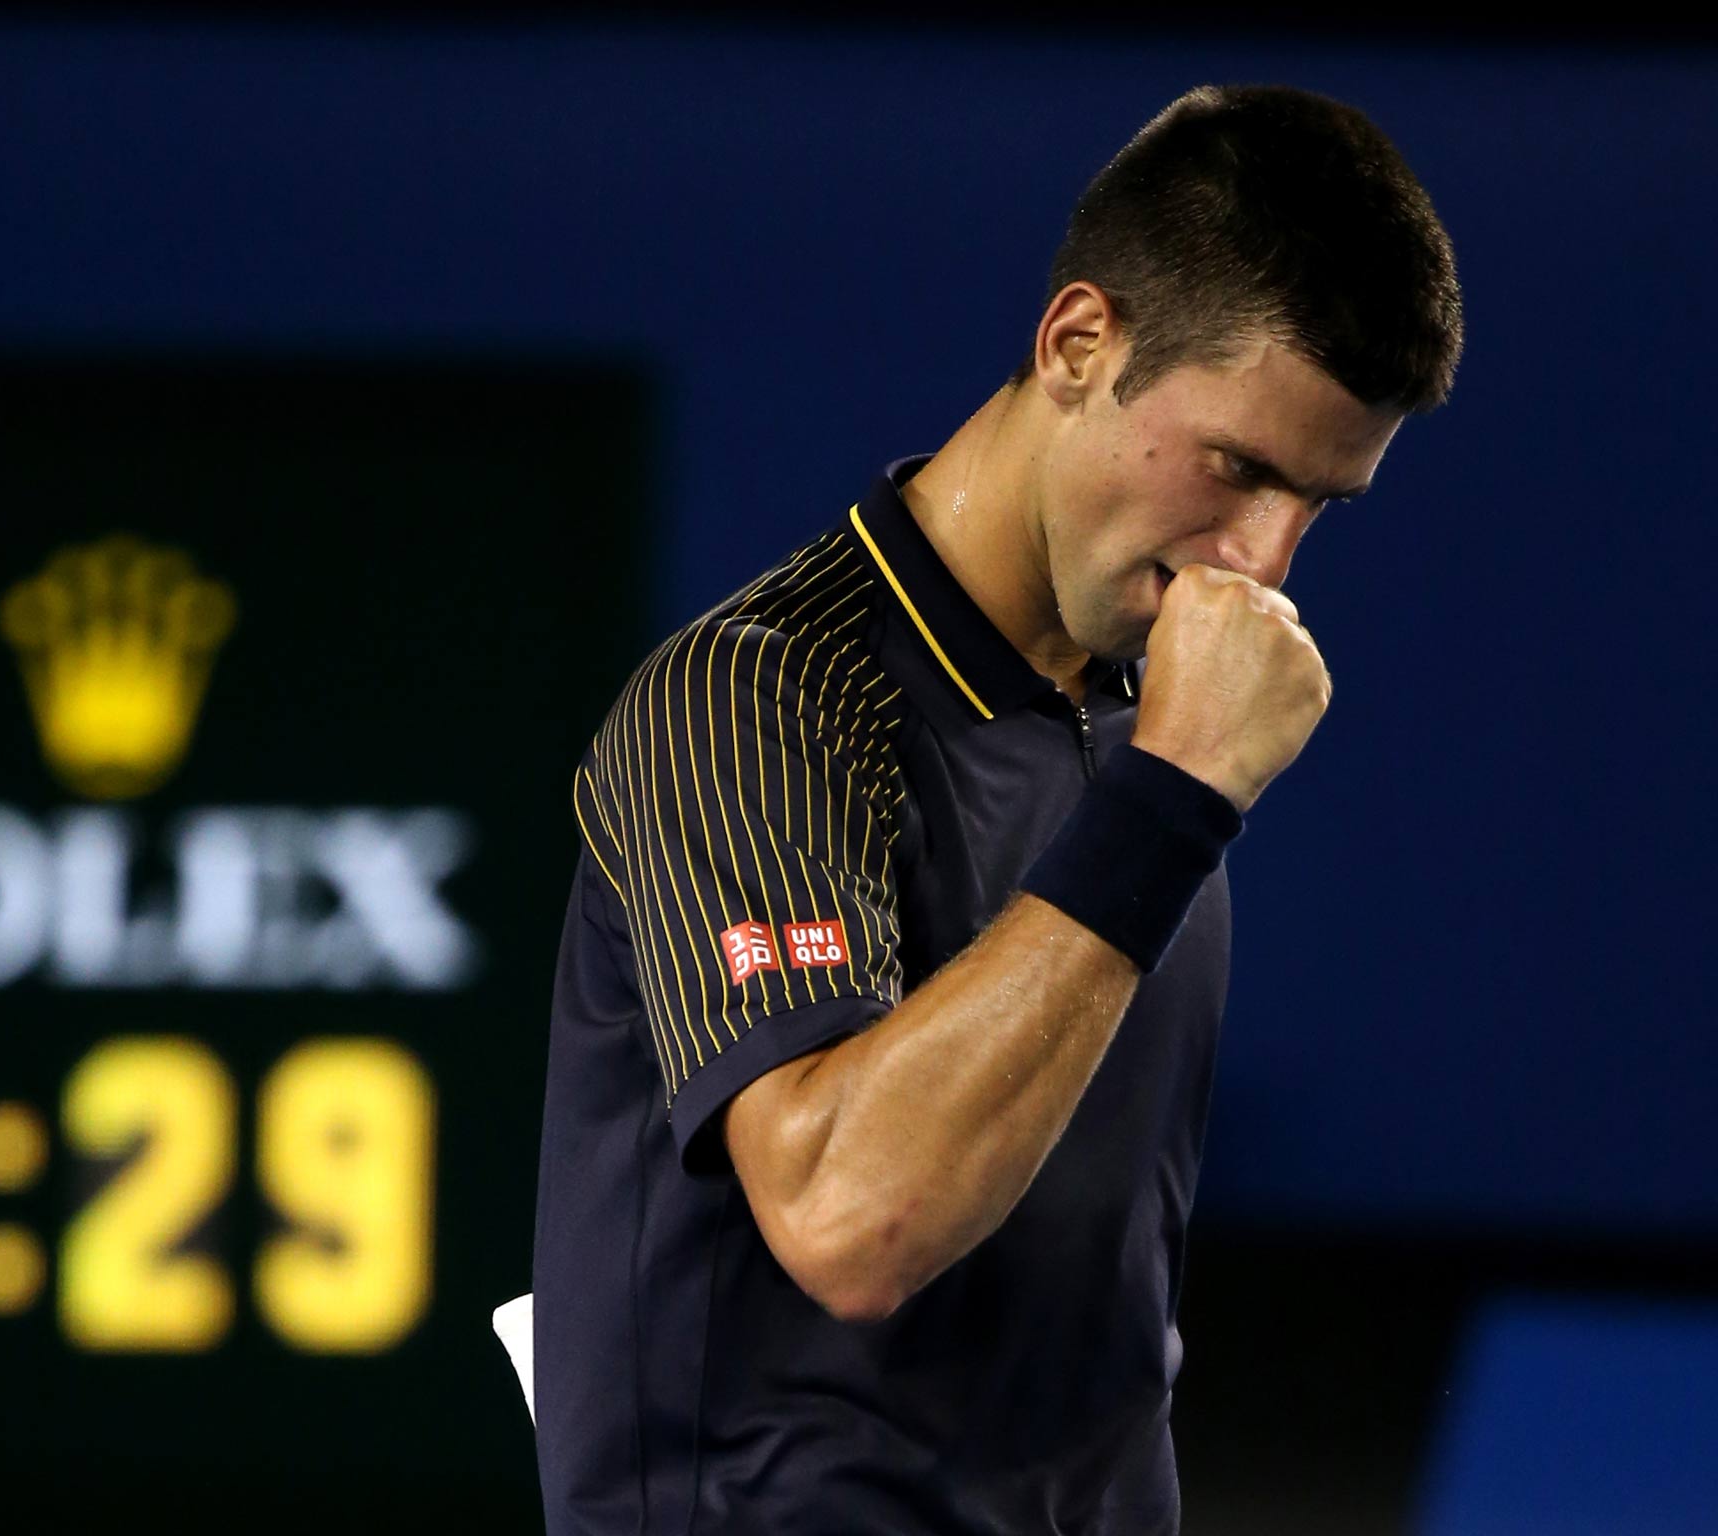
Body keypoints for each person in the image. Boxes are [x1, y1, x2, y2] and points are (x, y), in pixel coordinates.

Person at [530, 83, 1462, 1535]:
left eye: (1319, 504)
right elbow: (850, 1219)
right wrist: (1174, 799)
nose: (1264, 560)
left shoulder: (1138, 735)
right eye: (1238, 468)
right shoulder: (755, 698)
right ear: (1079, 342)